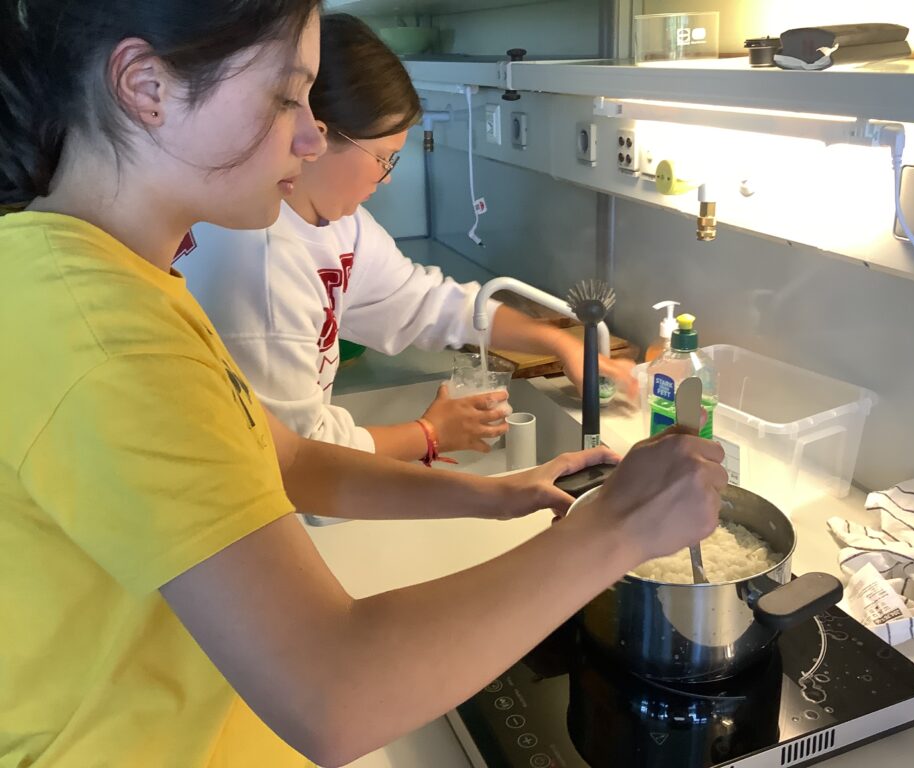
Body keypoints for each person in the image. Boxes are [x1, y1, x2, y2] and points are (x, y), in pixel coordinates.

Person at [0, 3, 727, 768]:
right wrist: (618, 528)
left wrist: (495, 495)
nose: (311, 137)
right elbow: (333, 695)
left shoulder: (110, 278)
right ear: (146, 86)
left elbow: (286, 460)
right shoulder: (108, 335)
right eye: (286, 96)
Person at [176, 13, 637, 463]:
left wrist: (560, 344)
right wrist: (429, 435)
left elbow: (429, 304)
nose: (388, 177)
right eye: (384, 157)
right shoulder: (257, 261)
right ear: (316, 137)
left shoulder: (340, 225)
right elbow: (296, 459)